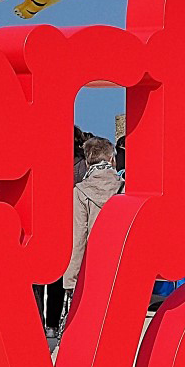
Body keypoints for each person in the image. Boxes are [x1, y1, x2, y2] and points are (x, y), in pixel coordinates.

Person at [64, 136, 123, 323]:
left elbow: (78, 237)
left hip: (92, 266)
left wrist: (70, 279)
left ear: (88, 162)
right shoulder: (125, 187)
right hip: (121, 262)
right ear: (111, 159)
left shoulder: (80, 192)